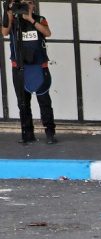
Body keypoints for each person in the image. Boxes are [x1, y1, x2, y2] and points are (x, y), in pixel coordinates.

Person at [1, 0, 55, 144]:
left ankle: (50, 133)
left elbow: (47, 32)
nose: (27, 5)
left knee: (44, 101)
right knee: (23, 103)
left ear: (34, 6)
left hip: (39, 67)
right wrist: (9, 14)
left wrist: (30, 19)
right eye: (23, 3)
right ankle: (27, 134)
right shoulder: (14, 21)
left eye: (29, 2)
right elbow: (4, 32)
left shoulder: (40, 19)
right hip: (19, 67)